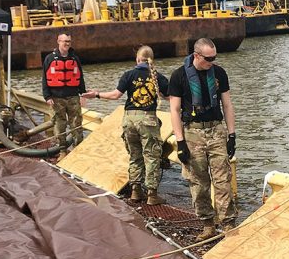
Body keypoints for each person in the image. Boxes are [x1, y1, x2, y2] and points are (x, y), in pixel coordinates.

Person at [168, 38, 237, 242]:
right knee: (198, 182)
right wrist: (180, 141)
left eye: (215, 57)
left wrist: (231, 135)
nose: (212, 62)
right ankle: (207, 224)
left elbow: (227, 105)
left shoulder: (219, 73)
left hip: (216, 129)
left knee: (223, 179)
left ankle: (228, 224)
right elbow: (174, 109)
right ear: (197, 56)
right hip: (193, 132)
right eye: (208, 58)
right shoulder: (179, 76)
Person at [92, 45, 170, 204]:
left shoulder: (128, 75)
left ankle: (135, 191)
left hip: (129, 120)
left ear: (137, 59)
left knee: (135, 155)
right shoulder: (158, 77)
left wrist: (97, 94)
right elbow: (169, 97)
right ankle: (152, 195)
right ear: (151, 60)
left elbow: (115, 95)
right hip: (148, 120)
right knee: (151, 157)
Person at [42, 33, 91, 156]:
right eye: (64, 41)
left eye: (68, 41)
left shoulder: (75, 59)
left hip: (73, 96)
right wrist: (47, 96)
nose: (66, 44)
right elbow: (44, 79)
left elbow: (80, 77)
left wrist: (83, 94)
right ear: (58, 41)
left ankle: (78, 151)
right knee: (59, 125)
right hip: (56, 98)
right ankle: (62, 151)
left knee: (76, 124)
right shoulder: (50, 59)